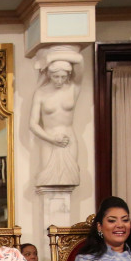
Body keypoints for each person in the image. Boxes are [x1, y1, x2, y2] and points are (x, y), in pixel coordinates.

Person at [29, 49, 83, 188]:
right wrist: (52, 139)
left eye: (63, 77)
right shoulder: (40, 93)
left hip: (69, 141)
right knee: (47, 180)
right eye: (56, 76)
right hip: (49, 141)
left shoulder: (73, 88)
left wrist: (52, 57)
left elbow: (79, 59)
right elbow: (33, 124)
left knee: (70, 179)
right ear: (49, 74)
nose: (59, 80)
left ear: (68, 75)